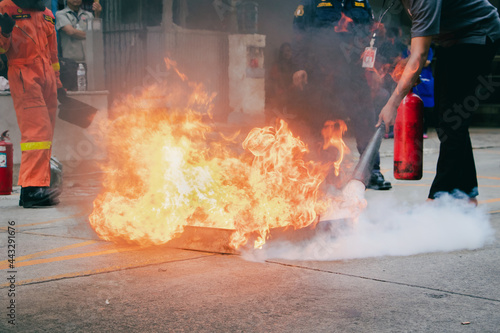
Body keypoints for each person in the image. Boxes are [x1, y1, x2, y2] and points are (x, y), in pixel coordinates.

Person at [376, 0, 500, 204]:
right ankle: (467, 195)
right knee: (451, 121)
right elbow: (418, 44)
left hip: (478, 34)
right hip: (451, 41)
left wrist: (392, 103)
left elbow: (419, 55)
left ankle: (439, 198)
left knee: (452, 120)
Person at [292, 0, 392, 190]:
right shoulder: (313, 3)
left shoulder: (362, 3)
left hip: (355, 75)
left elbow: (372, 37)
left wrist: (374, 67)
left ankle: (370, 172)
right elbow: (300, 35)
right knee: (324, 123)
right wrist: (299, 67)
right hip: (322, 74)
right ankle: (327, 172)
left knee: (366, 122)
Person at [0, 0, 64, 207]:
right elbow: (2, 48)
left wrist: (59, 83)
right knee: (37, 132)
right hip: (23, 73)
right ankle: (30, 189)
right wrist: (5, 32)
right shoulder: (6, 8)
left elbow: (53, 54)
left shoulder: (47, 13)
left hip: (47, 78)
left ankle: (39, 184)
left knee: (46, 134)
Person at [266, 42, 295, 122]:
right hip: (279, 97)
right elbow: (273, 82)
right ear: (282, 53)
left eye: (289, 51)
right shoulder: (276, 66)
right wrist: (279, 92)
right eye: (285, 51)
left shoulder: (293, 66)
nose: (287, 53)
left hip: (291, 97)